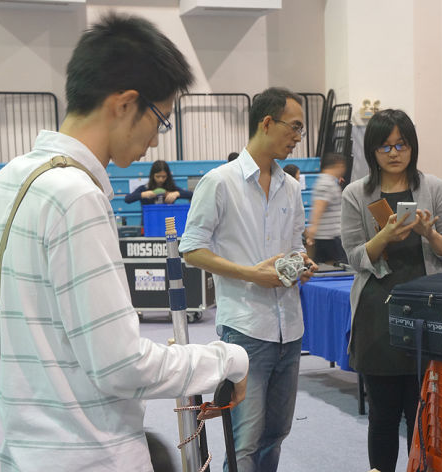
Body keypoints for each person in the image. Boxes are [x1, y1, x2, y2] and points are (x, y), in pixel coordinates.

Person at [0, 14, 249, 471]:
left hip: (24, 455)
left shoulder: (12, 177)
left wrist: (34, 343)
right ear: (125, 104)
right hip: (91, 453)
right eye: (160, 120)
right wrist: (227, 359)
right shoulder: (77, 197)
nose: (155, 141)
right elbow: (120, 366)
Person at [179, 87, 317, 472]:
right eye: (294, 127)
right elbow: (191, 249)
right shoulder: (220, 182)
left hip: (290, 330)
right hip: (246, 330)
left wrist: (301, 263)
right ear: (267, 122)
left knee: (276, 434)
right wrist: (250, 274)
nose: (298, 136)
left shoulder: (292, 187)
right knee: (244, 443)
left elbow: (294, 248)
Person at [340, 109, 442, 472]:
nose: (394, 153)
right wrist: (384, 236)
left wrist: (430, 234)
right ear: (372, 150)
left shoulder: (434, 188)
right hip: (378, 315)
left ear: (412, 147)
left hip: (429, 314)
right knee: (382, 414)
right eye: (385, 146)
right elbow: (354, 258)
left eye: (402, 144)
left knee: (423, 413)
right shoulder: (356, 193)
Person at [306, 153, 348, 264]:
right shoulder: (326, 183)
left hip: (329, 236)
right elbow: (319, 207)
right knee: (339, 267)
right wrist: (312, 230)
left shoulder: (328, 181)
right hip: (329, 237)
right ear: (339, 165)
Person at [124, 159, 193, 205]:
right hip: (149, 220)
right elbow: (127, 199)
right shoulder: (145, 188)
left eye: (164, 177)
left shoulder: (171, 189)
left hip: (168, 220)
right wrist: (143, 195)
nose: (161, 180)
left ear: (168, 176)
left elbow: (192, 195)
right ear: (152, 176)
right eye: (158, 176)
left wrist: (177, 194)